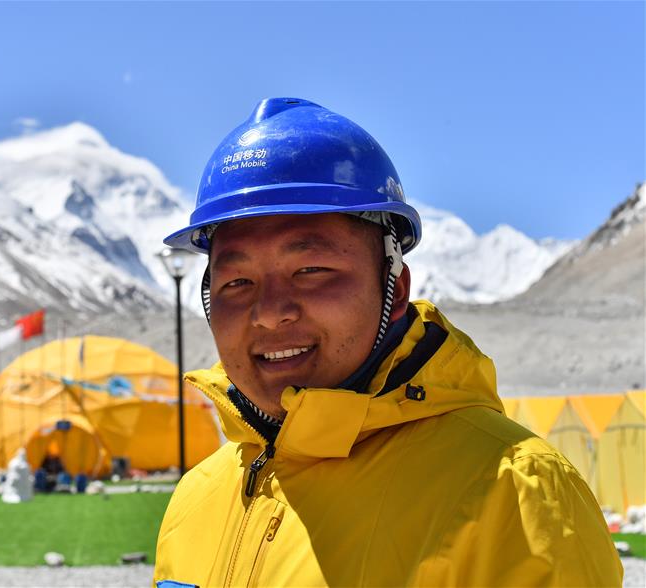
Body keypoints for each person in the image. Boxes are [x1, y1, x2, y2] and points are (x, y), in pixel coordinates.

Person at [153, 98, 622, 587]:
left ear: (394, 288)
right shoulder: (195, 499)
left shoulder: (513, 495)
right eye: (237, 282)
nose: (270, 313)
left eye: (310, 270)